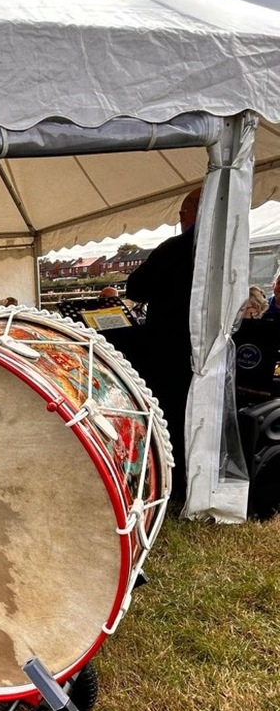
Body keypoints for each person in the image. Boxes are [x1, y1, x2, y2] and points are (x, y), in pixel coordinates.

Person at [126, 186, 202, 500]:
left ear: (190, 214)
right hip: (204, 352)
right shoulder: (227, 248)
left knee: (168, 417)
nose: (181, 220)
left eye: (182, 215)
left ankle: (168, 484)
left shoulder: (175, 248)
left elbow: (136, 288)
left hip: (169, 349)